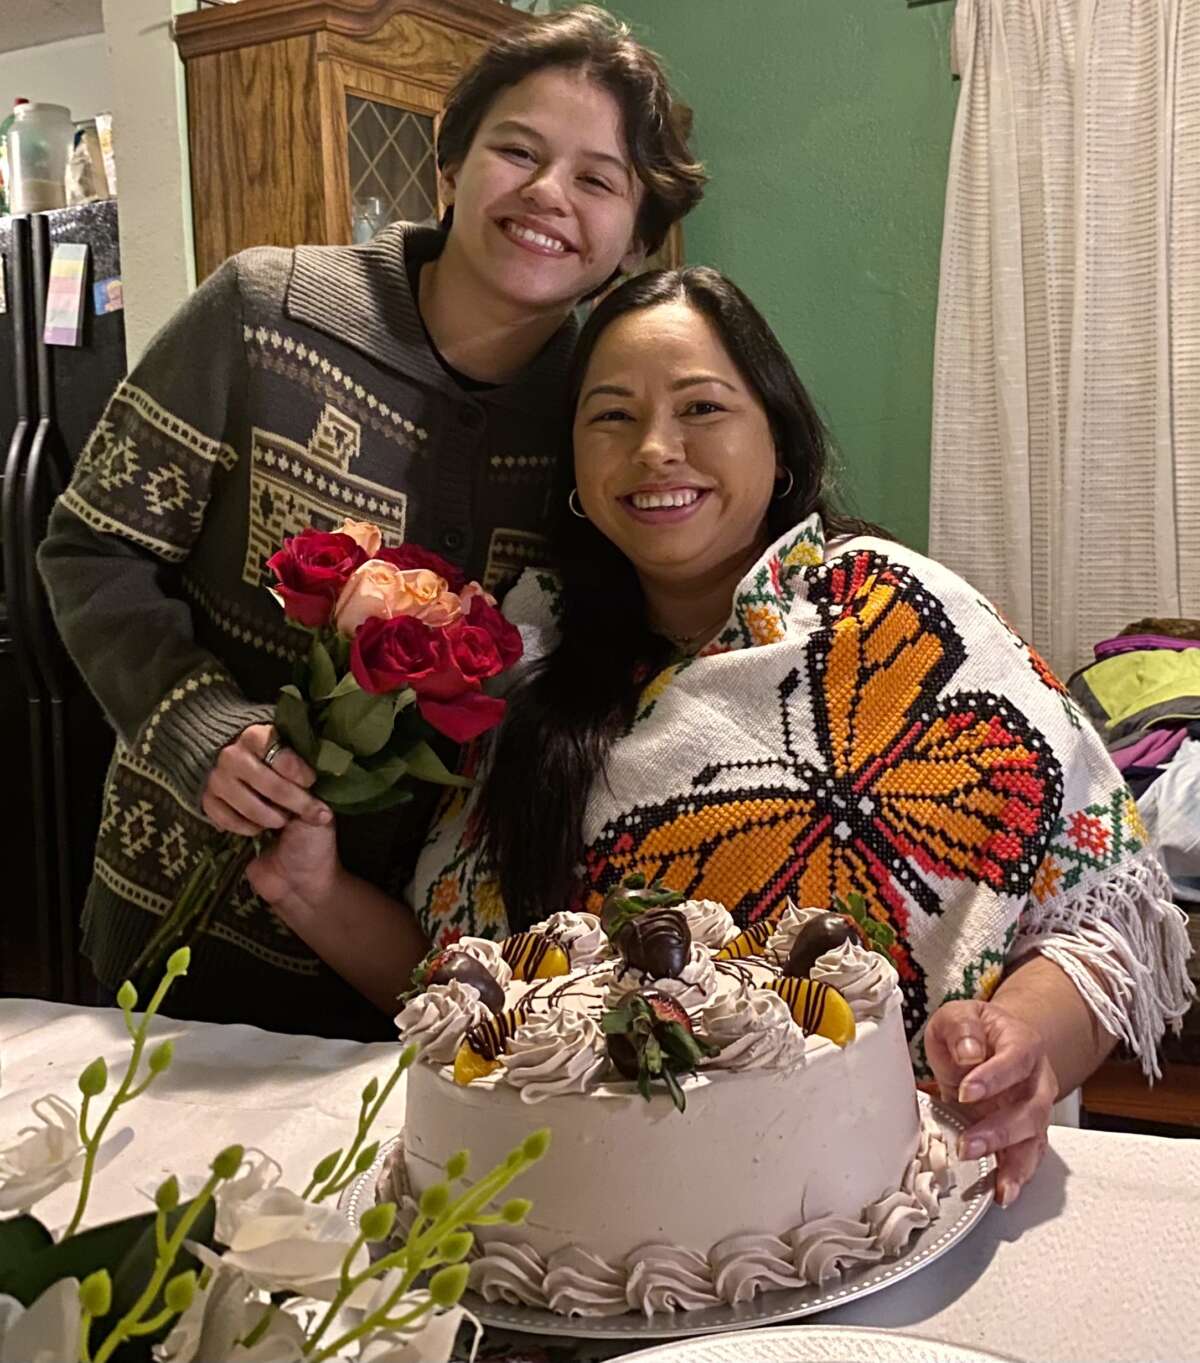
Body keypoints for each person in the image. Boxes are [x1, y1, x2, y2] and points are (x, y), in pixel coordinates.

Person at [250, 267, 1194, 1205]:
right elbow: (466, 997)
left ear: (777, 438)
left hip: (897, 1214)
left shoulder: (907, 618)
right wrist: (311, 888)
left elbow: (1103, 918)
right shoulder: (526, 659)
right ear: (574, 464)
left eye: (701, 407)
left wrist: (1019, 1041)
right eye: (612, 416)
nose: (656, 449)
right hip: (587, 1230)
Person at [37, 6, 704, 1036]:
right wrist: (200, 728)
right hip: (177, 933)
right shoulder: (264, 312)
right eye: (515, 151)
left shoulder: (599, 415)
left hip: (420, 970)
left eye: (597, 179)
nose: (546, 196)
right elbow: (92, 548)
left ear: (633, 236)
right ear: (451, 165)